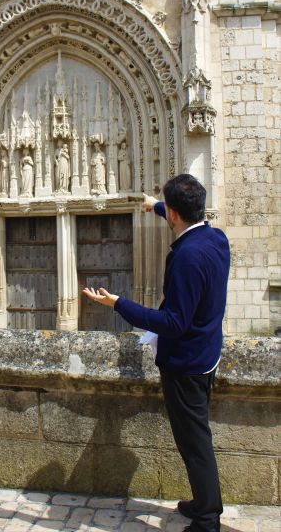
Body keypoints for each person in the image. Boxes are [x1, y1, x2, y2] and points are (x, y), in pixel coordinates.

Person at [83, 174, 230, 532]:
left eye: (167, 209)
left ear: (176, 215)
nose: (166, 214)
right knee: (195, 439)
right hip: (207, 351)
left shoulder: (187, 258)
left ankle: (208, 519)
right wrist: (156, 206)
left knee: (194, 443)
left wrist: (119, 304)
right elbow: (184, 216)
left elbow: (174, 322)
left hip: (187, 363)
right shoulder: (215, 238)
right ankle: (204, 502)